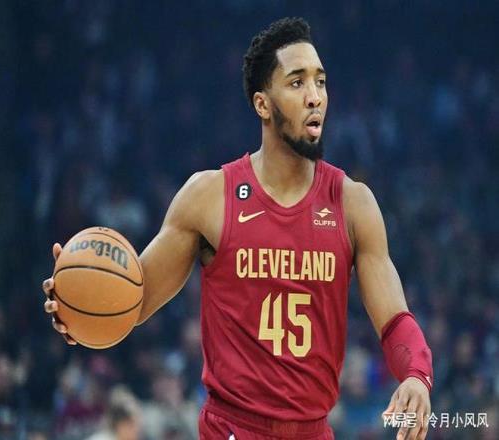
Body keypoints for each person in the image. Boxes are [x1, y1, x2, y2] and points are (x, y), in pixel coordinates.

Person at [43, 17, 433, 440]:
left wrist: (416, 374)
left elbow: (394, 319)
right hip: (232, 429)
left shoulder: (353, 204)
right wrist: (77, 301)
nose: (315, 96)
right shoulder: (210, 196)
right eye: (297, 82)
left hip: (314, 431)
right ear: (263, 104)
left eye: (320, 82)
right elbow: (132, 303)